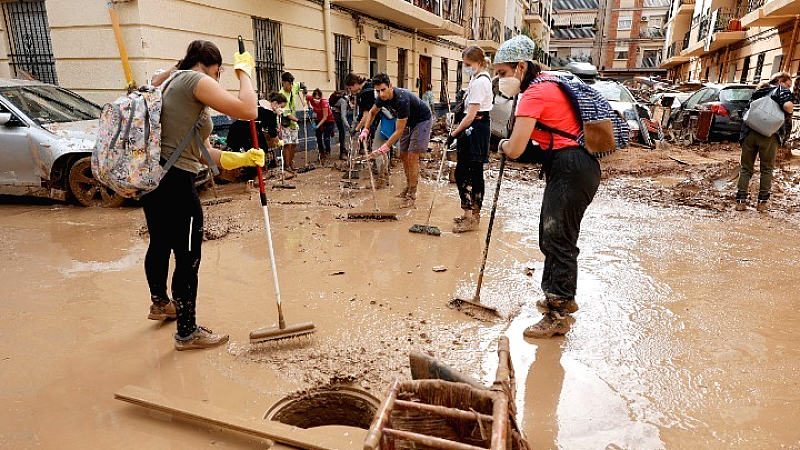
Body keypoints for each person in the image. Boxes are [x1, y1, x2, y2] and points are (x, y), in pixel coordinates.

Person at [143, 40, 264, 350]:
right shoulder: (195, 80)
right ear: (215, 68)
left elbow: (197, 152)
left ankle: (161, 304)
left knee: (160, 242)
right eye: (221, 73)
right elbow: (249, 110)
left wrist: (239, 158)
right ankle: (186, 332)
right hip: (176, 186)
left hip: (155, 180)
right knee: (187, 256)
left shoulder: (171, 81)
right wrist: (246, 74)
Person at [494, 35, 601, 339]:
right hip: (574, 166)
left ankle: (559, 312)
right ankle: (556, 295)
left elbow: (515, 149)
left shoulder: (534, 94)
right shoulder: (549, 82)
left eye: (502, 73)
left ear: (521, 67)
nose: (500, 80)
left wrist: (501, 144)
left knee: (558, 239)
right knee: (551, 234)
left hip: (571, 167)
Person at [361, 73, 433, 207]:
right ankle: (408, 186)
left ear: (390, 86)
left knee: (412, 156)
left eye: (383, 90)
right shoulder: (381, 99)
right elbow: (372, 112)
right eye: (377, 91)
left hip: (422, 120)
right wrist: (365, 130)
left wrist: (384, 148)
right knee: (402, 154)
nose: (381, 94)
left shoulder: (402, 99)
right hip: (407, 122)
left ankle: (412, 194)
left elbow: (399, 131)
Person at [447, 46, 493, 233]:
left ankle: (474, 217)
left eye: (468, 64)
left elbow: (471, 115)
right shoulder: (475, 79)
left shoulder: (481, 82)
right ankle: (466, 214)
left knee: (473, 174)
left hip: (476, 129)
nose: (465, 67)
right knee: (461, 173)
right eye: (464, 64)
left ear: (479, 63)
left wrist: (454, 134)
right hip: (471, 128)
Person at [735, 71, 795, 212]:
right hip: (769, 135)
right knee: (766, 169)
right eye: (788, 84)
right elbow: (788, 106)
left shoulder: (760, 90)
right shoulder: (781, 90)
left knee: (745, 168)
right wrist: (789, 111)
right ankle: (762, 204)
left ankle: (740, 202)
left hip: (749, 132)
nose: (789, 88)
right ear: (780, 81)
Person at [347, 73, 389, 188]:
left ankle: (381, 180)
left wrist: (356, 130)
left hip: (381, 121)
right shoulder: (371, 86)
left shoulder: (365, 93)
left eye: (350, 88)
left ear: (355, 84)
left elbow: (366, 116)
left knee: (377, 149)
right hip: (387, 119)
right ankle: (385, 176)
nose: (351, 91)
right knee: (383, 148)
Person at [226, 92, 287, 160]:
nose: (281, 109)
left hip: (236, 127)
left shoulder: (261, 103)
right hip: (248, 131)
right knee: (259, 152)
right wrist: (278, 142)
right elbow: (272, 132)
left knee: (236, 154)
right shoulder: (270, 113)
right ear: (275, 103)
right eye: (281, 107)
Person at [278, 72, 306, 177]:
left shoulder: (294, 86)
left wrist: (305, 94)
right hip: (285, 123)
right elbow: (286, 113)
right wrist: (297, 120)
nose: (290, 86)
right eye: (288, 84)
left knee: (294, 144)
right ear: (283, 82)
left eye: (291, 84)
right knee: (287, 144)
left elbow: (301, 85)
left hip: (294, 124)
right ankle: (286, 166)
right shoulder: (281, 95)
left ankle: (291, 163)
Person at [306, 88, 337, 160]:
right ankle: (321, 153)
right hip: (319, 118)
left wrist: (317, 126)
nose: (316, 100)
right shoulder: (311, 98)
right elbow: (306, 97)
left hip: (329, 120)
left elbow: (325, 117)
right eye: (315, 98)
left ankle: (328, 153)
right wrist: (308, 106)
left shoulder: (324, 102)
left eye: (318, 98)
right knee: (318, 136)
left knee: (326, 137)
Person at [330, 90, 351, 160]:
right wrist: (349, 127)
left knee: (343, 131)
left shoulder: (347, 100)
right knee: (342, 131)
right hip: (336, 113)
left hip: (338, 112)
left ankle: (344, 149)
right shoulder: (344, 102)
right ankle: (342, 153)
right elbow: (343, 116)